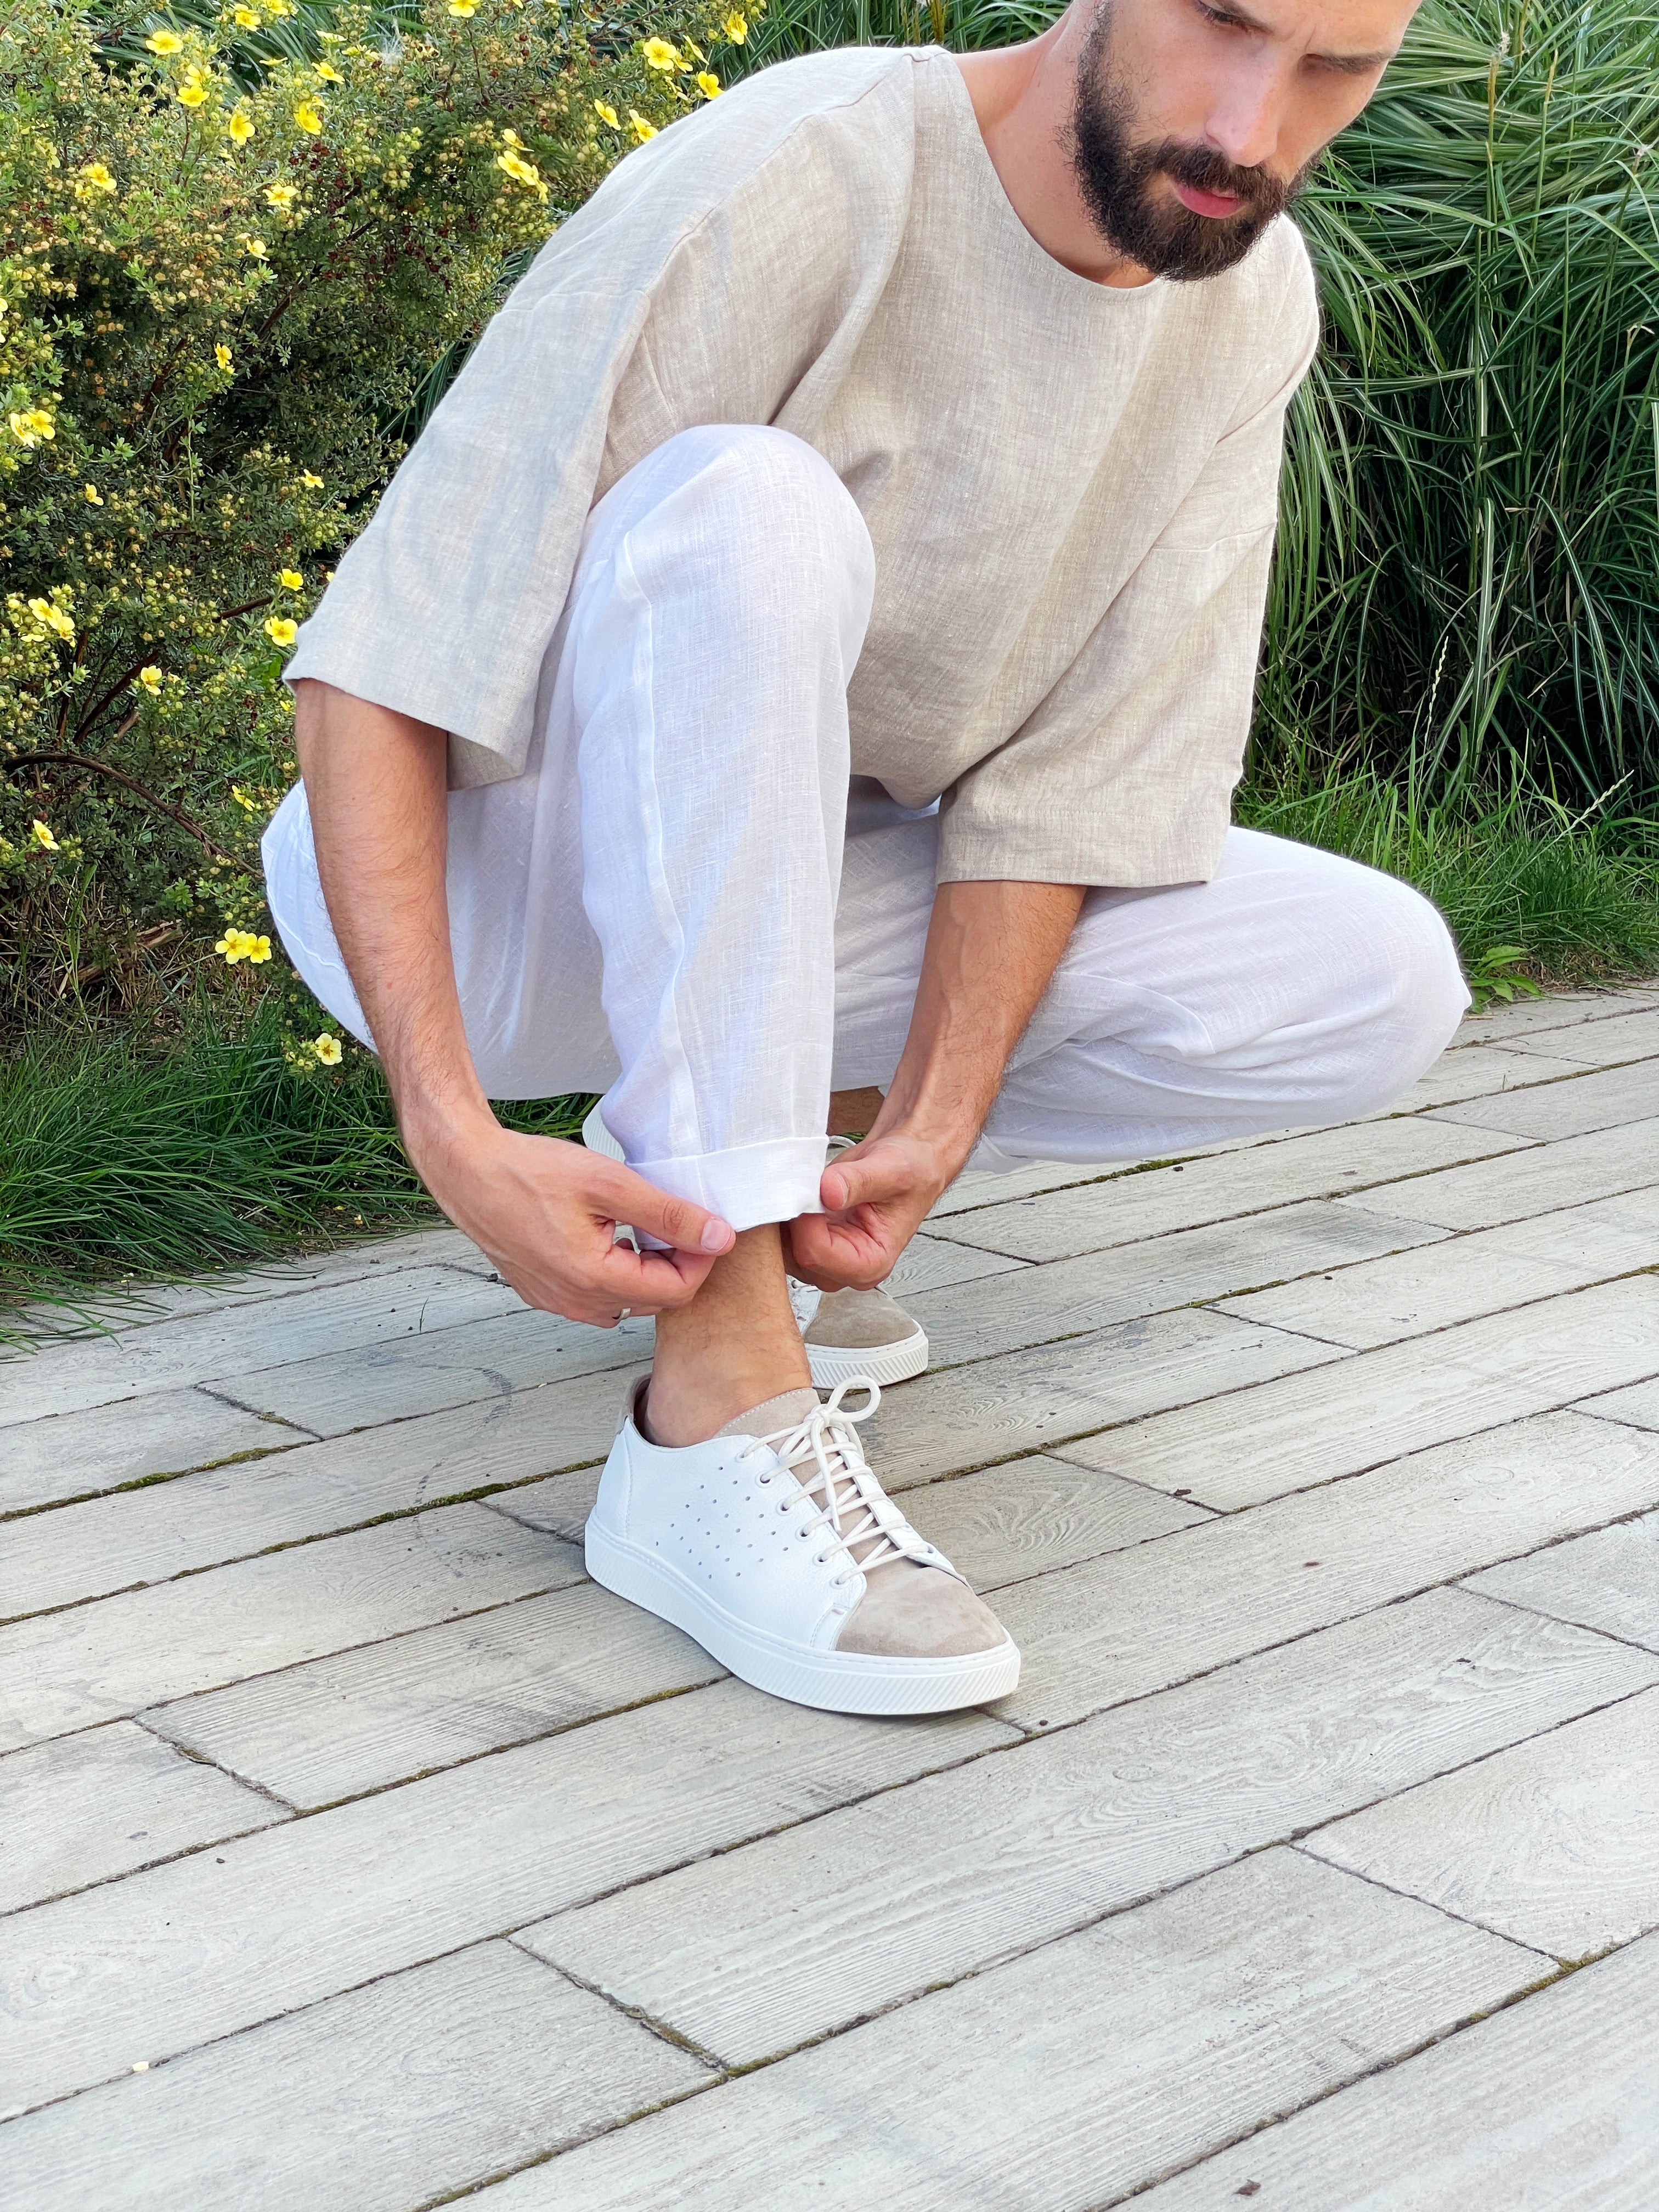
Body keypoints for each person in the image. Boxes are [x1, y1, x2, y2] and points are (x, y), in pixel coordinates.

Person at [264, 0, 1466, 1719]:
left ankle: (751, 1181)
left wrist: (930, 1124)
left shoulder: (1248, 292)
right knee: (751, 504)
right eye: (1224, 24)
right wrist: (449, 1130)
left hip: (791, 892)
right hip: (480, 890)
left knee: (1374, 973)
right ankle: (712, 1413)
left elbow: (1079, 793)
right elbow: (388, 657)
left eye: (1334, 68)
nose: (1251, 125)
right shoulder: (808, 160)